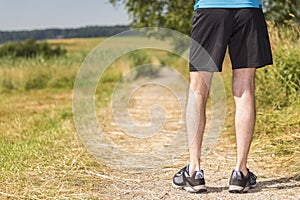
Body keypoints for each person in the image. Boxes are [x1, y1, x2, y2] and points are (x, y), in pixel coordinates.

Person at [172, 0, 273, 193]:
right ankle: (240, 173)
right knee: (245, 87)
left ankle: (194, 171)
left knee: (198, 89)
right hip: (248, 9)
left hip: (211, 9)